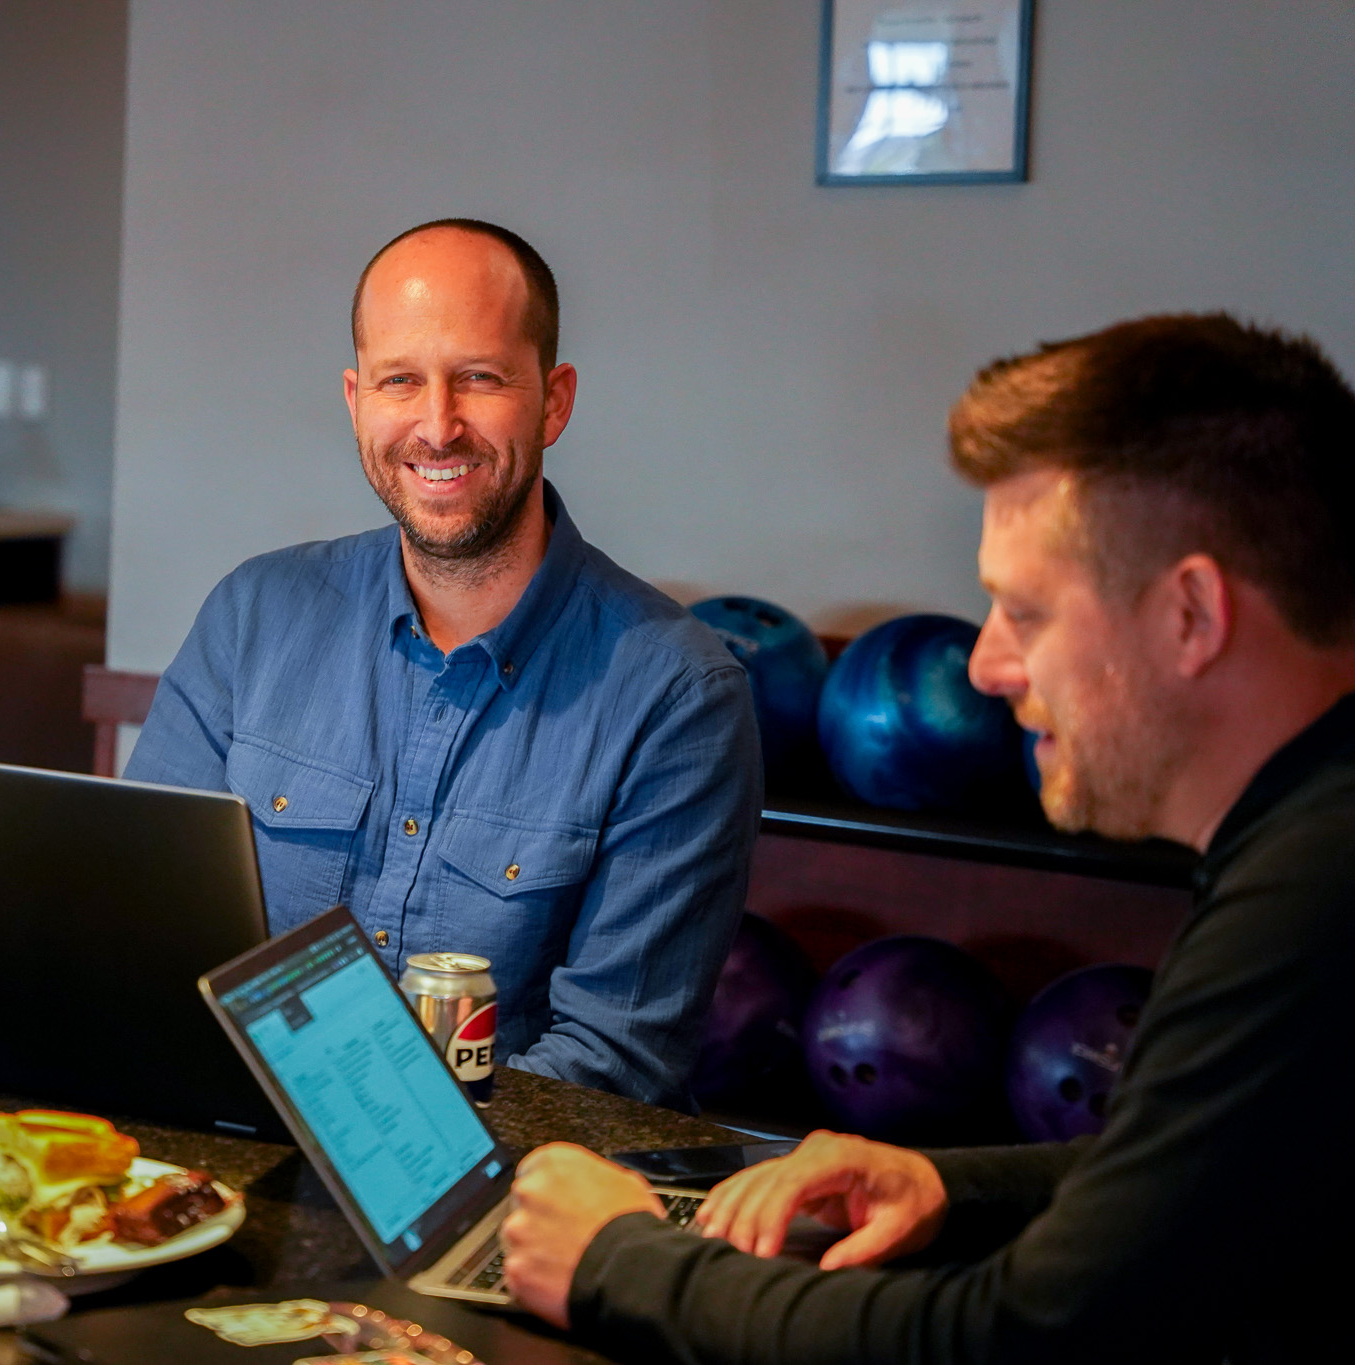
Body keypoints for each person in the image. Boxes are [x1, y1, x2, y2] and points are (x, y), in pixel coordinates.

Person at [501, 312, 1355, 1363]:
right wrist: (946, 1181)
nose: (988, 667)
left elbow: (1012, 1338)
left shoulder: (1311, 902)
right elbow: (1198, 1177)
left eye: (1024, 612)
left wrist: (615, 1263)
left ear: (1189, 614)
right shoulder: (1307, 838)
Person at [125, 220, 761, 1108]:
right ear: (355, 400)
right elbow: (143, 926)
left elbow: (613, 1062)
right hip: (230, 1151)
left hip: (506, 1203)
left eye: (480, 377)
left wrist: (371, 1143)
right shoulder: (254, 615)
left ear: (555, 400)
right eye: (399, 381)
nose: (436, 425)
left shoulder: (678, 696)